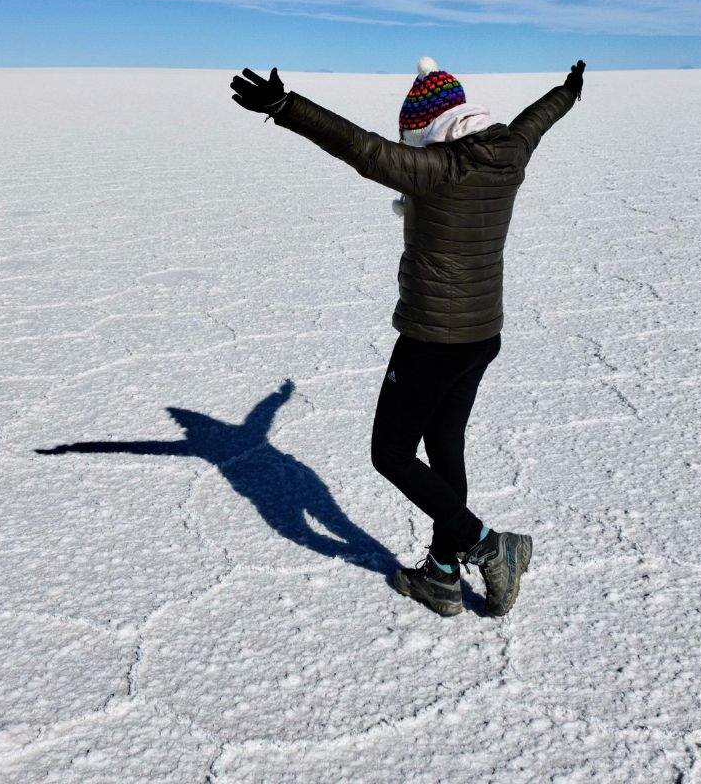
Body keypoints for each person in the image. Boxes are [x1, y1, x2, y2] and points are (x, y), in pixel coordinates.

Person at [230, 56, 585, 617]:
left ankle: (492, 546)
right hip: (480, 334)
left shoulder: (435, 169)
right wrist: (568, 91)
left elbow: (361, 148)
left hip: (432, 338)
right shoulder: (509, 151)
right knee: (445, 448)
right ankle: (442, 577)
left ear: (429, 129)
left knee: (391, 452)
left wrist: (284, 107)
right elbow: (535, 121)